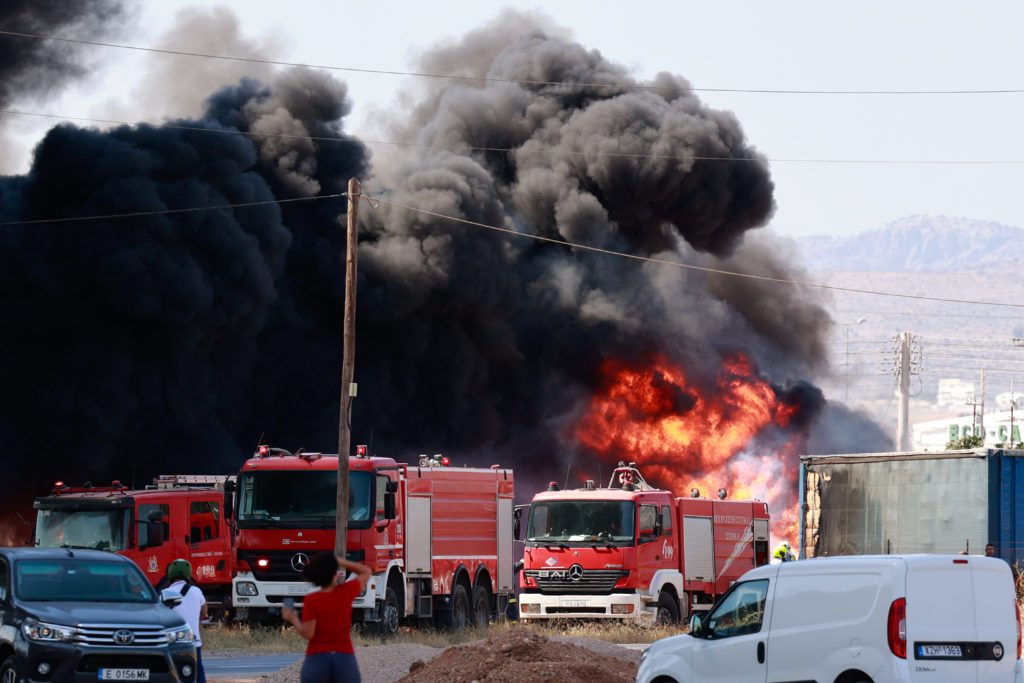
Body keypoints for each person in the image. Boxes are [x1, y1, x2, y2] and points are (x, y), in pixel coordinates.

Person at [282, 553, 371, 683]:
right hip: (344, 657)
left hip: (317, 658)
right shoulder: (346, 592)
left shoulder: (312, 600)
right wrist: (341, 561)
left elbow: (308, 633)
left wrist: (293, 618)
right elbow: (366, 571)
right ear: (335, 575)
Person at [165, 559, 207, 683]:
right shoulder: (197, 591)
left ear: (171, 574)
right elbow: (204, 612)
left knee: (173, 673)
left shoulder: (163, 594)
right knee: (197, 672)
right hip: (194, 642)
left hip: (172, 642)